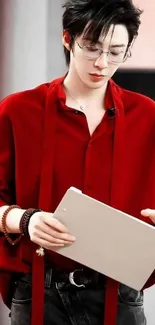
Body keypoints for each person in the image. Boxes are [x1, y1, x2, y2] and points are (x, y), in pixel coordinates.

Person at [0, 0, 155, 324]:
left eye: (115, 51)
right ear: (67, 40)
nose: (102, 62)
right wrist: (25, 220)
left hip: (121, 295)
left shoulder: (148, 117)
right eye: (91, 48)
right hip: (39, 294)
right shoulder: (17, 111)